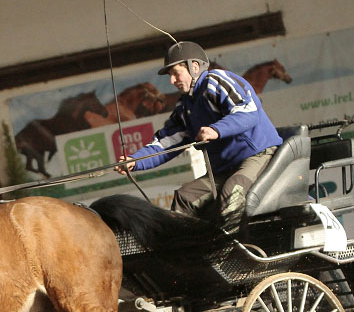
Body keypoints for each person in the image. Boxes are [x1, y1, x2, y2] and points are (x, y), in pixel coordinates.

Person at [116, 41, 282, 232]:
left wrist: (216, 130)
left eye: (176, 73)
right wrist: (135, 161)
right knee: (184, 197)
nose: (172, 81)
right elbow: (167, 141)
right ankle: (184, 255)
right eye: (170, 75)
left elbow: (248, 110)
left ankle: (228, 256)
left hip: (259, 156)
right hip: (225, 170)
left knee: (233, 191)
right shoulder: (185, 105)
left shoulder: (217, 81)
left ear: (194, 67)